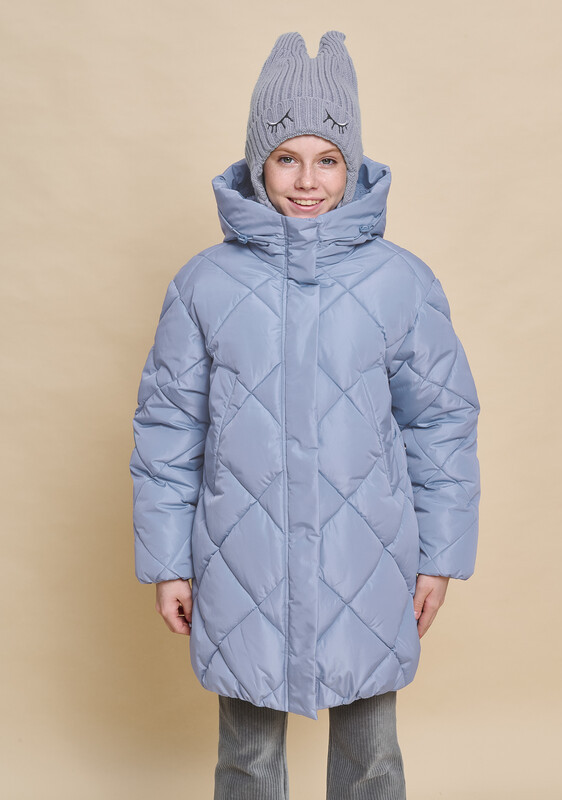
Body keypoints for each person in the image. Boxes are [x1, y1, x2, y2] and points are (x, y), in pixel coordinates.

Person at [129, 30, 480, 800]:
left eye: (328, 159)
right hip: (242, 562)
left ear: (351, 165)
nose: (308, 181)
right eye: (287, 158)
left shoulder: (401, 282)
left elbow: (440, 423)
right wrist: (168, 562)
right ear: (258, 163)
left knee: (371, 757)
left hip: (368, 559)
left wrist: (438, 555)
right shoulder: (203, 285)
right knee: (248, 759)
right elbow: (168, 431)